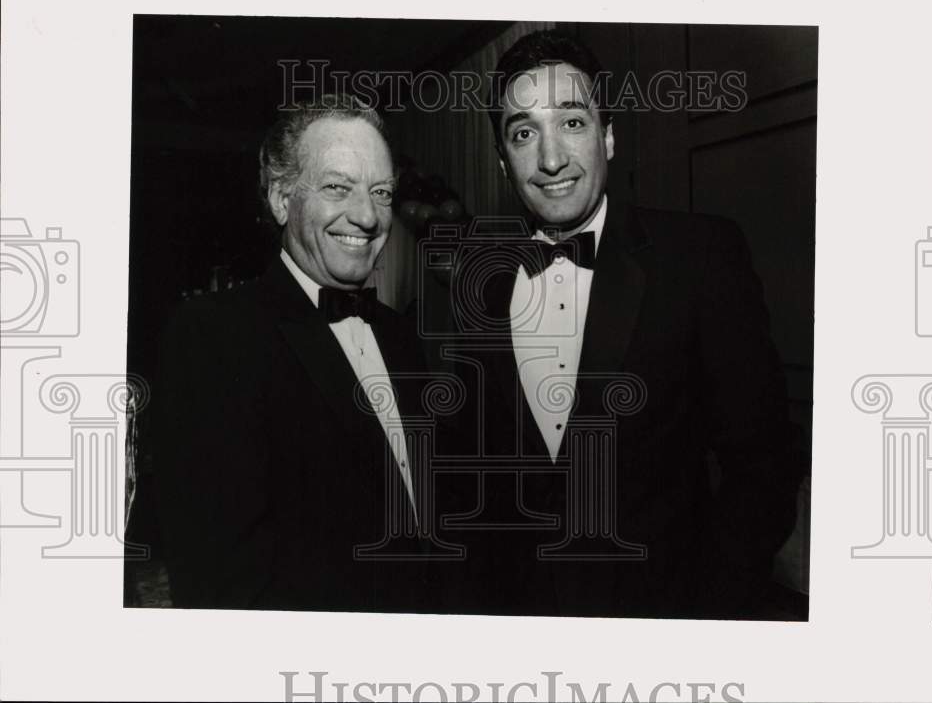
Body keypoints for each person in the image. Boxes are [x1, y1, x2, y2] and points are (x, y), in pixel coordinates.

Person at [448, 31, 805, 619]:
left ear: (608, 136)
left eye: (572, 122)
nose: (551, 158)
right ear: (501, 159)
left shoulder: (699, 257)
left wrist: (707, 612)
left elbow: (762, 463)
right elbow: (472, 480)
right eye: (523, 132)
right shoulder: (479, 281)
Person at [152, 94, 436, 611]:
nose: (367, 216)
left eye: (381, 192)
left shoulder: (402, 336)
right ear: (281, 198)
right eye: (337, 187)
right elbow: (217, 575)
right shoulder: (215, 334)